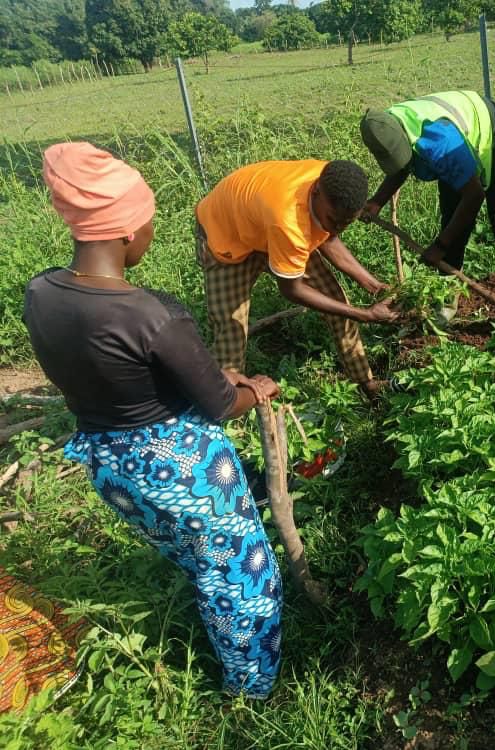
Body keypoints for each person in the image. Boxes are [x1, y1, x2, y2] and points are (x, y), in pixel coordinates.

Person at [23, 142, 283, 699]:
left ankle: (220, 629)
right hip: (180, 472)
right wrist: (253, 388)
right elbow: (218, 405)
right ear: (121, 231)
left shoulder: (41, 293)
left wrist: (214, 376)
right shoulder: (155, 315)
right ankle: (252, 690)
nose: (151, 235)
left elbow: (123, 374)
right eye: (147, 224)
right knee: (241, 582)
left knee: (193, 556)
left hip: (109, 467)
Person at [195, 159, 398, 401]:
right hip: (227, 234)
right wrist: (364, 314)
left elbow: (328, 236)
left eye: (347, 223)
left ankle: (367, 383)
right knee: (231, 328)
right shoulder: (289, 221)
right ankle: (227, 405)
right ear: (315, 192)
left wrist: (375, 287)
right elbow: (292, 289)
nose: (338, 229)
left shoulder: (332, 180)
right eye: (334, 220)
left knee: (335, 301)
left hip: (264, 221)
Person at [360, 90, 495, 325]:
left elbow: (473, 195)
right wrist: (377, 202)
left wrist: (439, 246)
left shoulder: (437, 142)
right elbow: (401, 163)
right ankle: (446, 306)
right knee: (451, 223)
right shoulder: (386, 126)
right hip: (456, 142)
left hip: (493, 134)